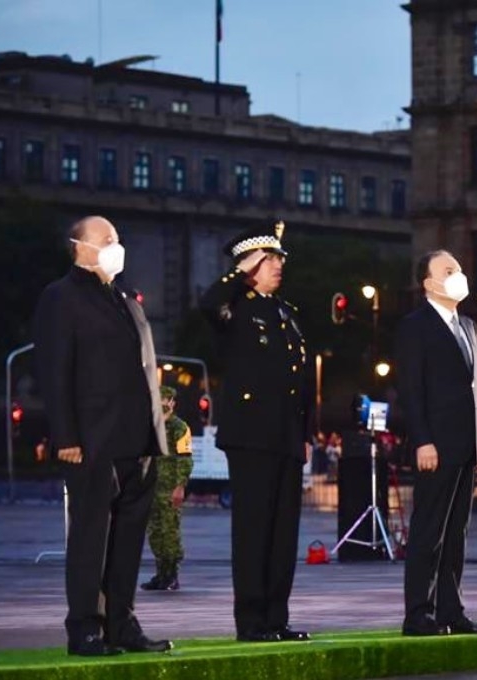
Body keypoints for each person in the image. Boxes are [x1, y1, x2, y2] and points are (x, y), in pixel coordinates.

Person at [32, 215, 172, 655]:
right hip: (92, 440)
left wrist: (157, 435)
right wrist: (65, 435)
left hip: (137, 440)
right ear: (81, 246)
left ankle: (121, 623)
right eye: (108, 240)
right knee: (91, 537)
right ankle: (85, 629)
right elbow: (55, 372)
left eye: (118, 239)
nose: (118, 246)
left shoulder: (124, 298)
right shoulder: (61, 297)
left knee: (129, 540)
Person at [200, 221, 314, 643]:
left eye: (280, 259)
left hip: (286, 435)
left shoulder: (287, 314)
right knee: (253, 531)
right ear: (249, 267)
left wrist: (307, 431)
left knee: (283, 534)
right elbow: (208, 304)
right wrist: (238, 273)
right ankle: (250, 622)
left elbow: (305, 382)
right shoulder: (235, 308)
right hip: (250, 436)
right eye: (270, 260)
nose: (279, 266)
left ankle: (275, 618)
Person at [395, 250, 477, 636]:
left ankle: (452, 611)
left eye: (459, 268)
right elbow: (411, 389)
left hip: (467, 444)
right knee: (429, 532)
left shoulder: (468, 325)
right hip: (436, 444)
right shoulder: (415, 326)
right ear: (429, 283)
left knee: (457, 532)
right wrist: (422, 440)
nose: (459, 275)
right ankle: (419, 613)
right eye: (449, 270)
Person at [141, 386, 195, 591]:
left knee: (170, 532)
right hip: (151, 487)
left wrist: (180, 486)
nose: (162, 403)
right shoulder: (151, 425)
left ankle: (172, 575)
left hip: (169, 488)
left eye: (165, 400)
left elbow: (185, 460)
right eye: (158, 399)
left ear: (172, 402)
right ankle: (161, 574)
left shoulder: (179, 427)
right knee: (155, 533)